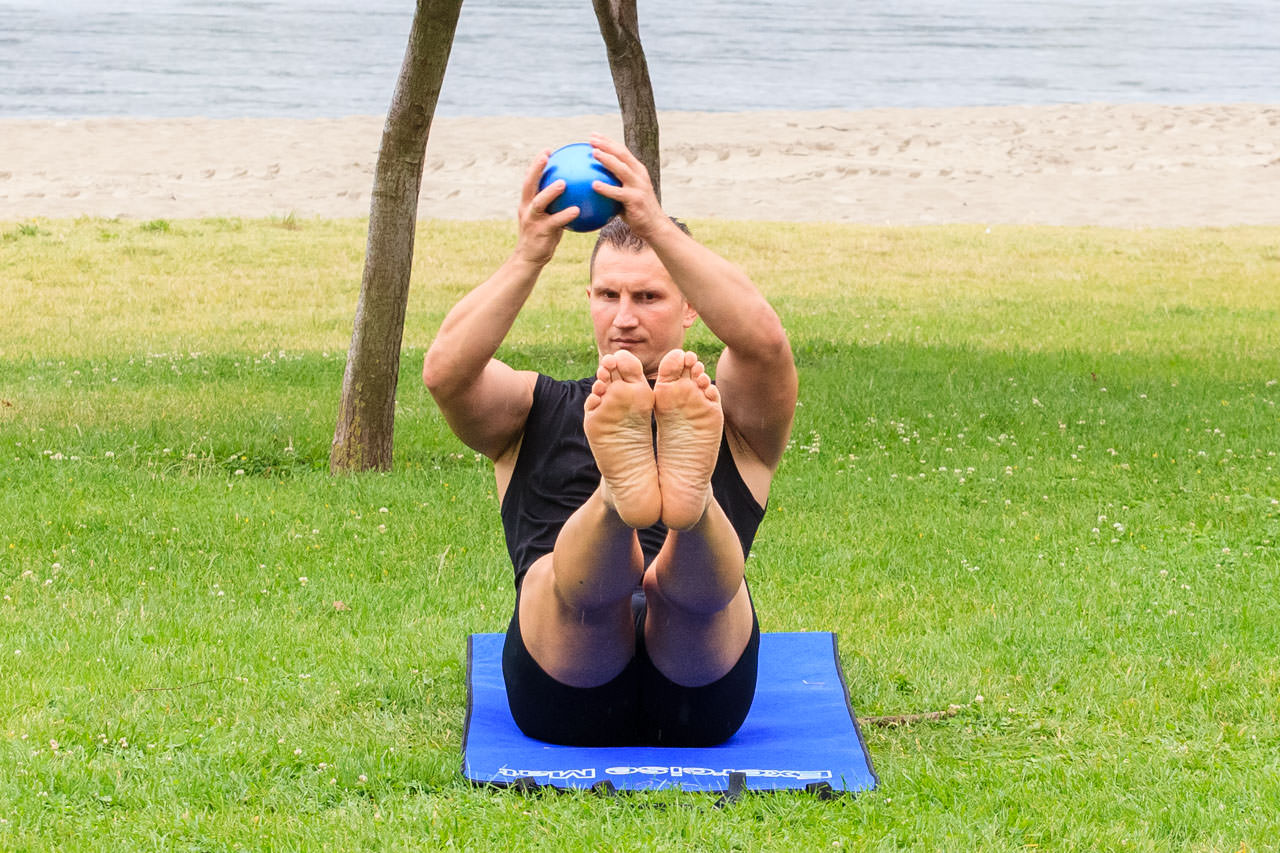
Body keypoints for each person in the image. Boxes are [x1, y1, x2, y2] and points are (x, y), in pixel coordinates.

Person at [423, 133, 797, 747]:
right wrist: (528, 255)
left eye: (648, 296)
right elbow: (446, 374)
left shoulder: (722, 411)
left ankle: (687, 501)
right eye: (608, 295)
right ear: (590, 300)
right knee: (584, 597)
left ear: (691, 308)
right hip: (578, 678)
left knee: (685, 596)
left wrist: (656, 224)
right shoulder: (532, 410)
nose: (624, 316)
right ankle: (619, 499)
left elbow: (765, 344)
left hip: (685, 677)